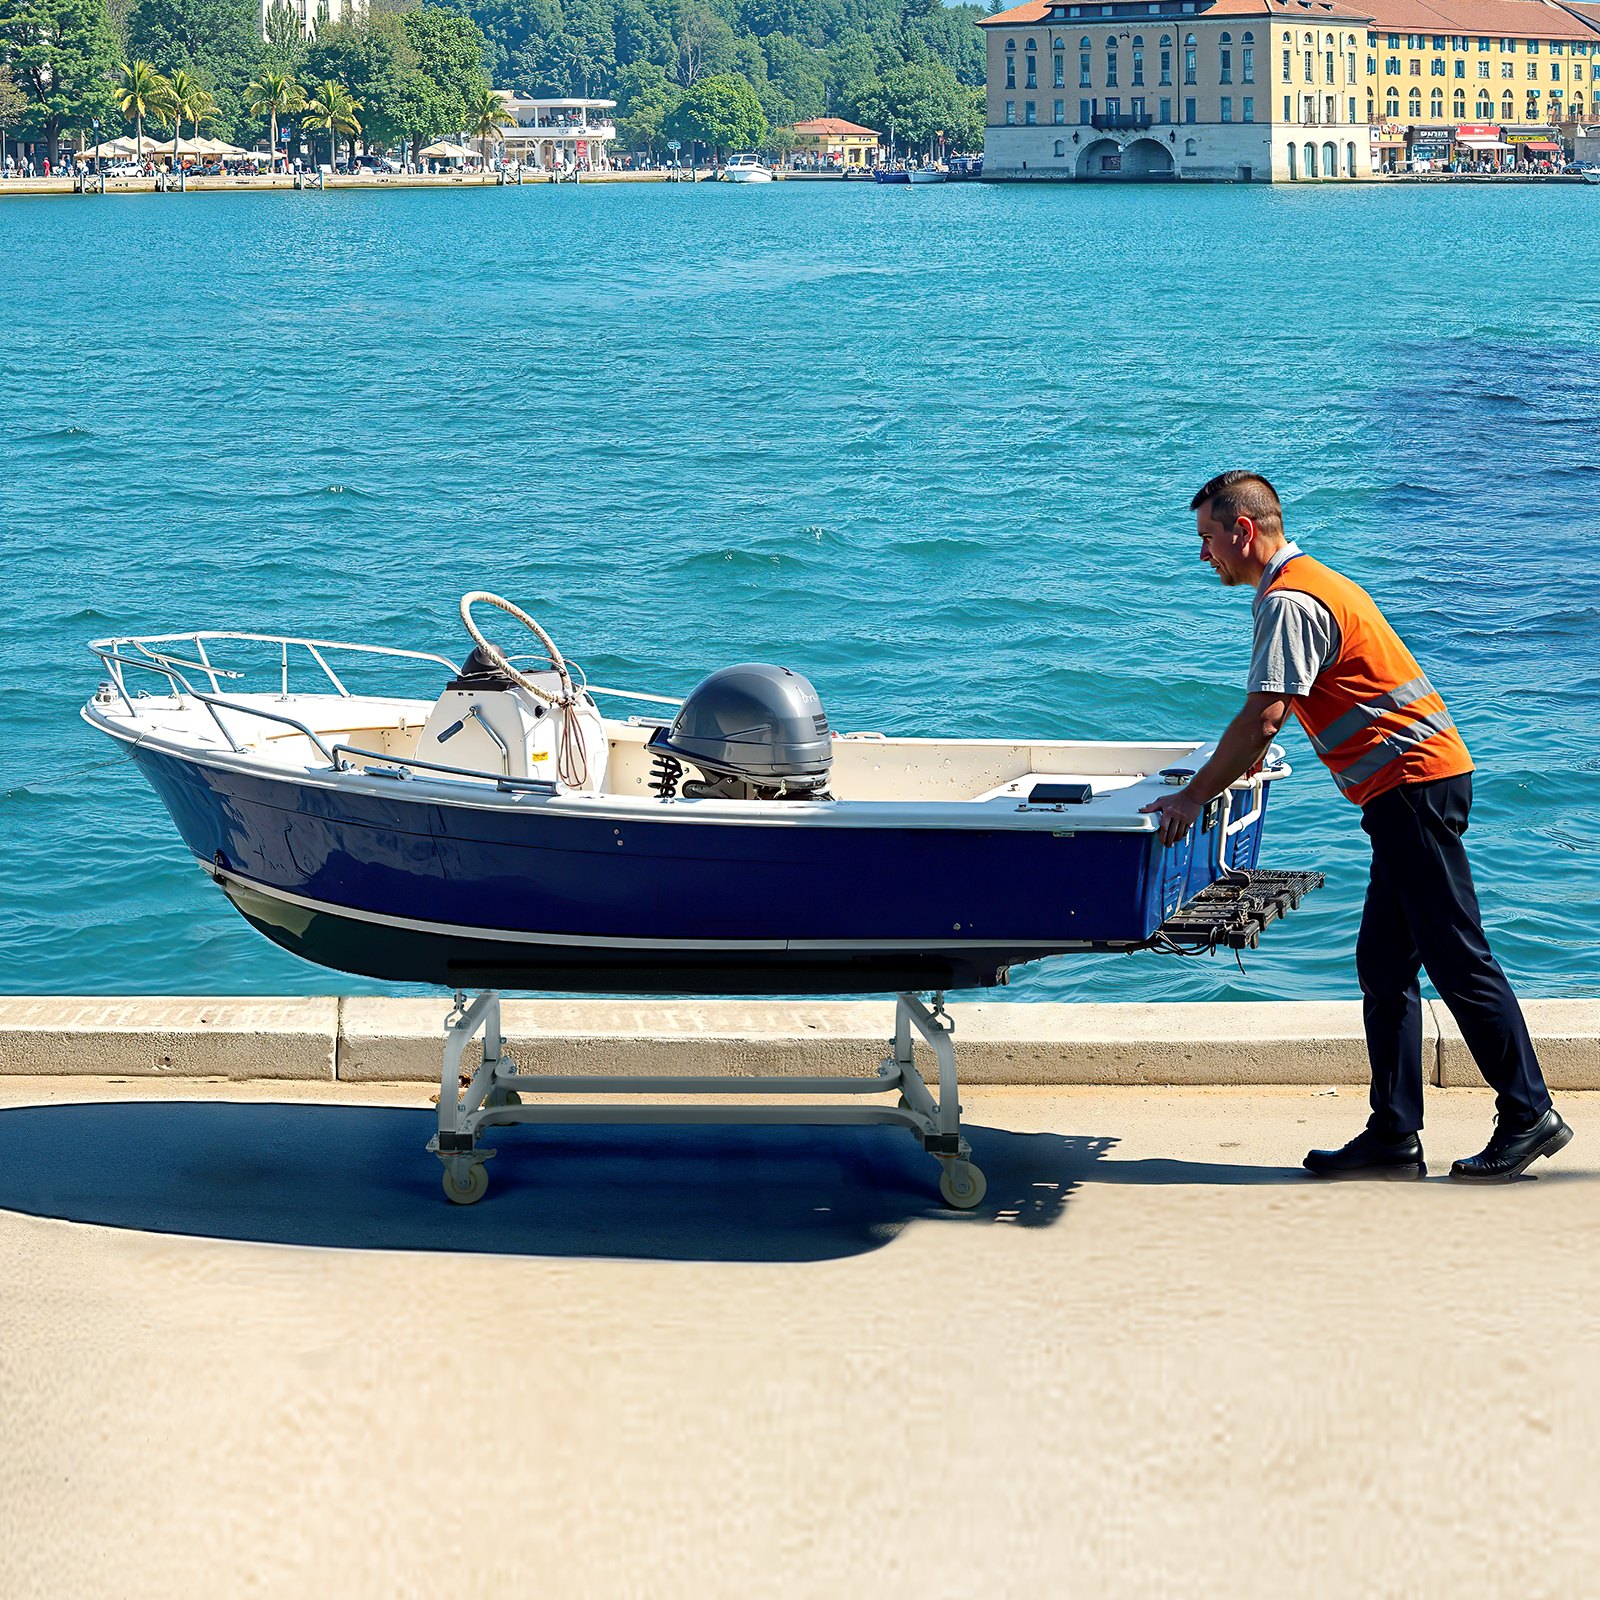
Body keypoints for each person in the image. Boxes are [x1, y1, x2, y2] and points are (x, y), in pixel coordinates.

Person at [1142, 471, 1572, 1183]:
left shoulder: (1289, 600)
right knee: (1385, 965)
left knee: (1458, 957)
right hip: (1407, 791)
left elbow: (1265, 715)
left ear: (1243, 531)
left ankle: (1530, 1114)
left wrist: (1195, 798)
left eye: (1207, 539)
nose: (1203, 555)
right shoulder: (1312, 583)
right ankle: (1394, 1136)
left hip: (1413, 790)